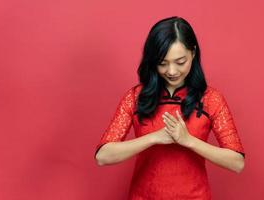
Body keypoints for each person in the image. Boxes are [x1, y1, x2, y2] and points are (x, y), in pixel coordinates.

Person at [94, 16, 245, 200]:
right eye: (162, 63)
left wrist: (187, 140)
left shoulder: (211, 99)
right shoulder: (135, 98)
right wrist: (154, 137)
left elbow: (237, 163)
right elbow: (103, 156)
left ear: (193, 53)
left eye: (180, 62)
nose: (172, 71)